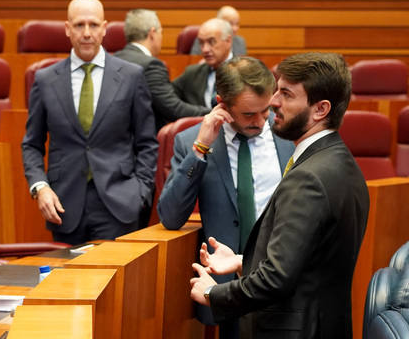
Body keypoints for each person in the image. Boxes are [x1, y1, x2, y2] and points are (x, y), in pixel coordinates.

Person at [190, 52, 370, 338]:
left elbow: (276, 279)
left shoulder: (308, 177)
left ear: (320, 109)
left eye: (286, 94)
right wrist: (242, 261)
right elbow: (309, 259)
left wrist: (214, 293)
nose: (273, 102)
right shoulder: (338, 159)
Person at [158, 56, 294, 339]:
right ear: (222, 102)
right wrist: (201, 149)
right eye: (248, 115)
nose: (259, 121)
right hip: (228, 289)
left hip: (282, 279)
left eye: (265, 110)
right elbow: (171, 217)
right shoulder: (192, 141)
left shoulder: (290, 137)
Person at [22, 0, 158, 245]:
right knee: (70, 283)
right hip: (65, 206)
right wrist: (40, 187)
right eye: (79, 25)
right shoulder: (45, 79)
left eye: (93, 25)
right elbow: (32, 144)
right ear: (67, 29)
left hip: (120, 203)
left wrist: (141, 192)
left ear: (104, 28)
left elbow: (147, 142)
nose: (86, 33)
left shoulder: (131, 76)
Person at [114, 8, 210, 131]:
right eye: (161, 32)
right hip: (142, 142)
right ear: (152, 33)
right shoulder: (151, 65)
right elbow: (174, 109)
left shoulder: (115, 58)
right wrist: (211, 112)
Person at [173, 18, 233, 108]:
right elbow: (167, 97)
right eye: (201, 43)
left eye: (211, 42)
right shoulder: (192, 73)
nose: (205, 49)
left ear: (228, 41)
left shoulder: (245, 73)